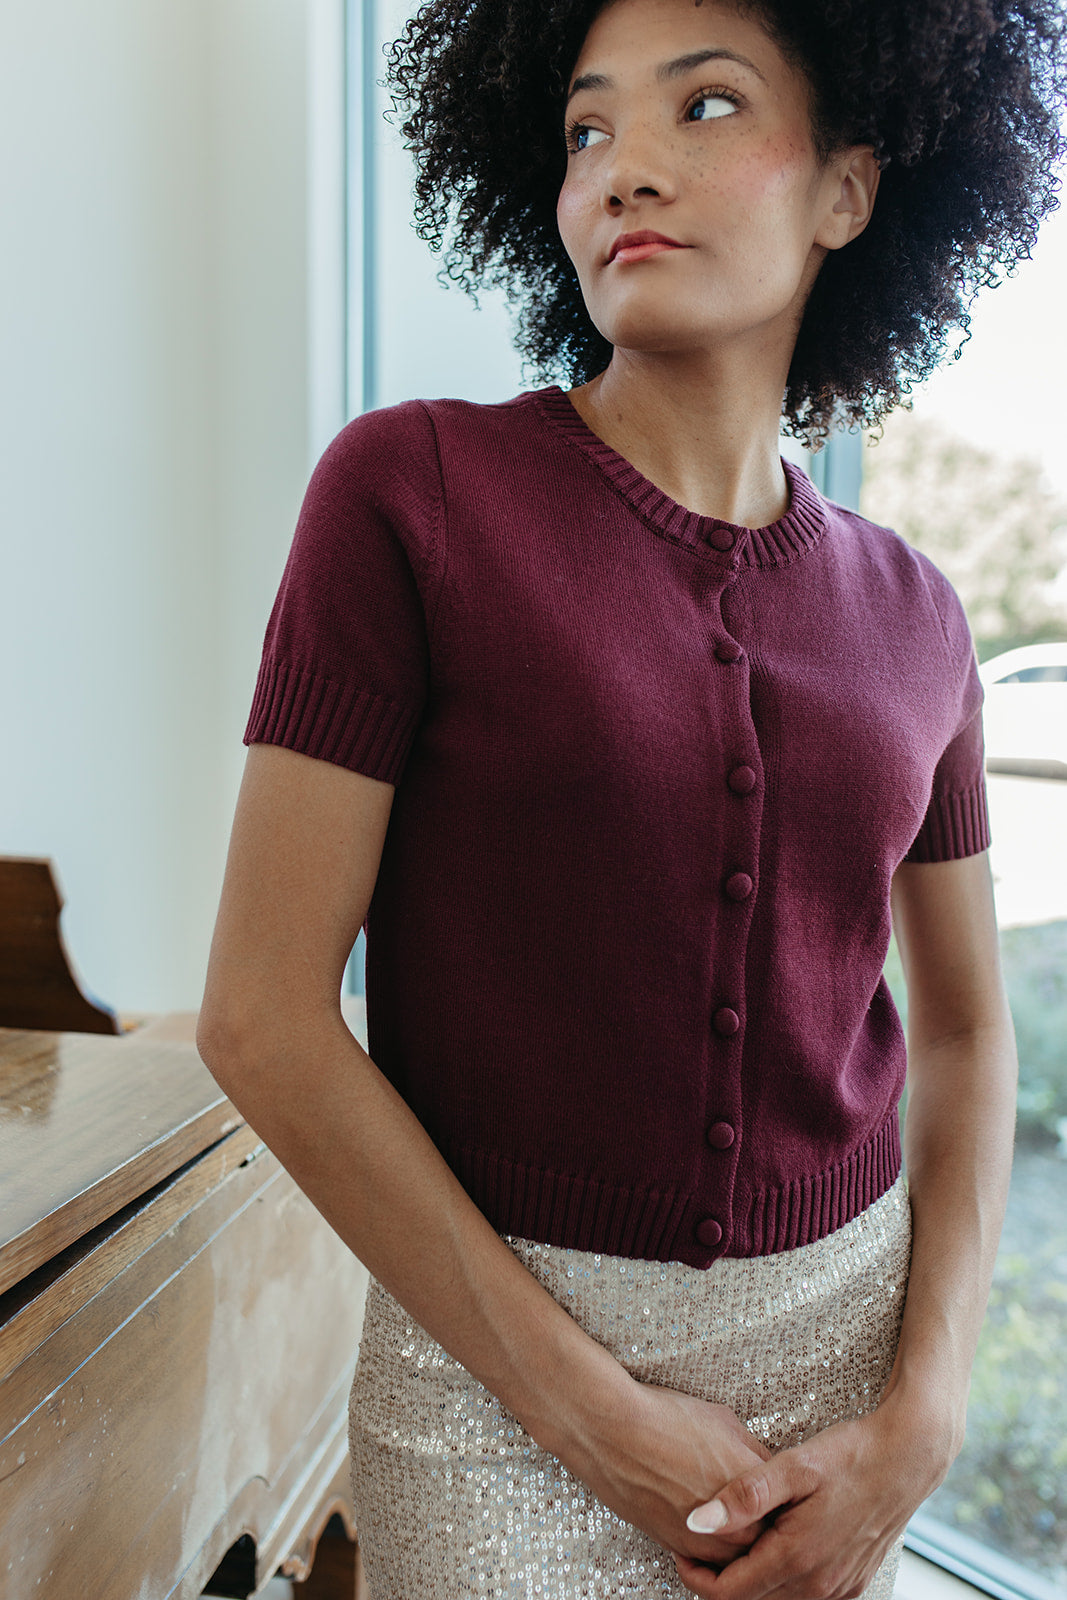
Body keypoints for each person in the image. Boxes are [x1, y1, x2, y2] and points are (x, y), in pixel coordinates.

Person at [196, 0, 1066, 1595]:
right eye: (588, 130)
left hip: (846, 1391)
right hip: (493, 1402)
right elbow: (260, 1016)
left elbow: (960, 1032)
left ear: (850, 193)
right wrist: (592, 1415)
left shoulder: (922, 615)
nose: (624, 170)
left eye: (708, 108)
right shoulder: (412, 498)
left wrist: (922, 1420)